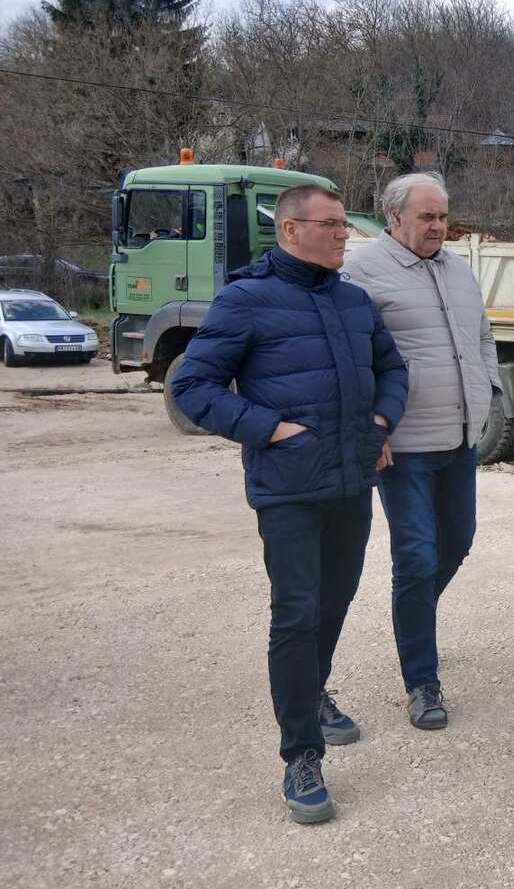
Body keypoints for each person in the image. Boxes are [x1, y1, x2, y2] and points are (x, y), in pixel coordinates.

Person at [171, 183, 408, 825]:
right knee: (296, 615)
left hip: (352, 484)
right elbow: (190, 386)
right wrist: (268, 428)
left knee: (334, 603)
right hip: (289, 489)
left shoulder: (354, 301)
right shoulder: (246, 300)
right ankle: (300, 754)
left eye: (343, 225)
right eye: (330, 225)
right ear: (290, 230)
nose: (342, 235)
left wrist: (381, 423)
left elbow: (392, 369)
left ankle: (312, 691)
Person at [341, 172, 500, 731]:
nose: (438, 227)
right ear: (394, 218)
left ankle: (414, 624)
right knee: (416, 555)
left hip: (459, 437)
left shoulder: (459, 270)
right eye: (427, 217)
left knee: (457, 541)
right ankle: (422, 680)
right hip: (403, 445)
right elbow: (352, 358)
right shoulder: (360, 271)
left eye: (443, 216)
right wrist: (372, 428)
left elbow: (481, 336)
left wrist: (487, 393)